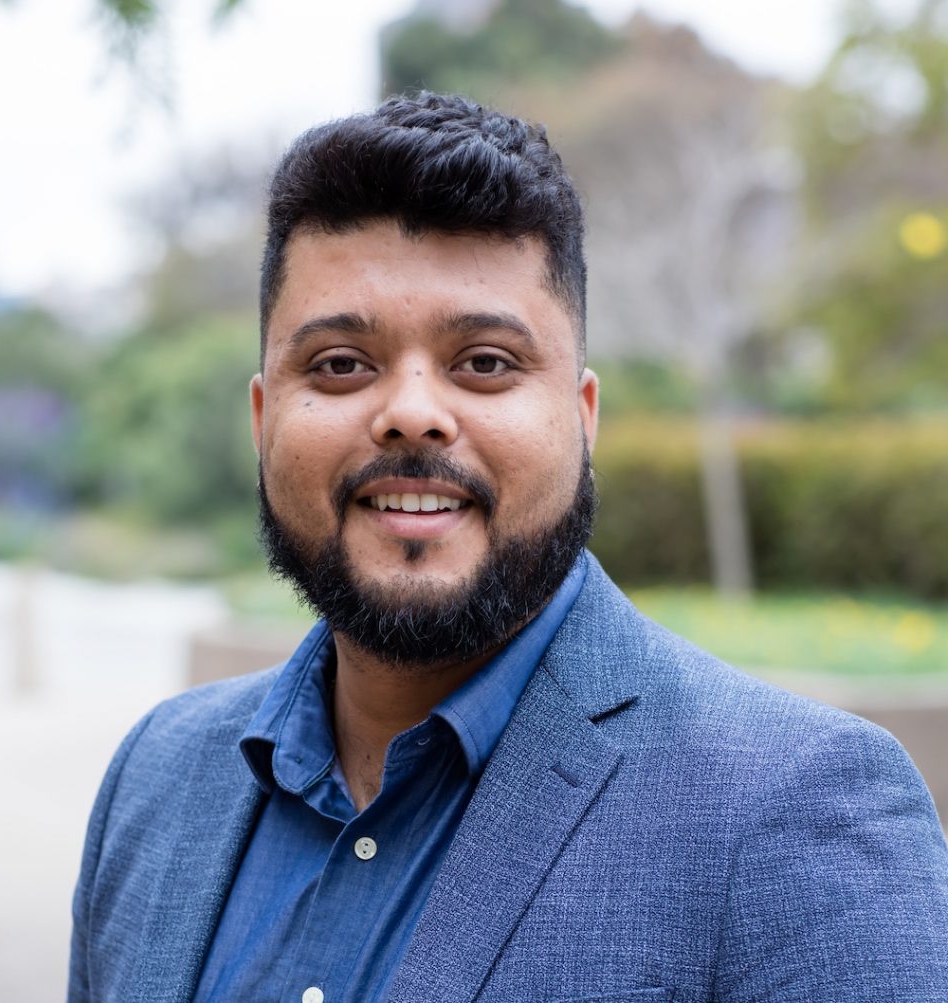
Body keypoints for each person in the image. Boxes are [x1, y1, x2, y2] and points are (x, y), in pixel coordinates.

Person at [68, 93, 948, 1003]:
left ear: (582, 416)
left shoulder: (797, 813)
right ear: (262, 420)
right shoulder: (156, 777)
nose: (412, 409)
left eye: (485, 361)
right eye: (339, 364)